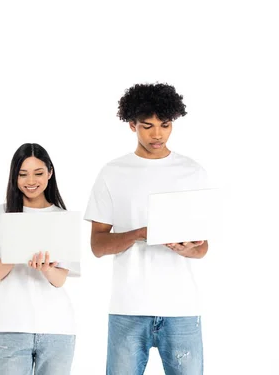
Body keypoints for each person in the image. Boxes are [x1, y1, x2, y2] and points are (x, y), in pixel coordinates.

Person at [84, 83, 209, 375]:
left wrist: (190, 248)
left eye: (165, 125)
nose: (157, 134)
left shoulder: (192, 172)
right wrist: (139, 234)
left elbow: (203, 248)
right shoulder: (112, 173)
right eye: (147, 126)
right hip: (128, 307)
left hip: (181, 308)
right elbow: (98, 245)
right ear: (131, 125)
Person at [0, 143, 79, 375]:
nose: (31, 181)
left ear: (50, 173)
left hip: (57, 329)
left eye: (38, 173)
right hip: (12, 327)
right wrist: (15, 254)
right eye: (23, 174)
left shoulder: (63, 219)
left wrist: (47, 269)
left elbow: (60, 280)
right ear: (14, 176)